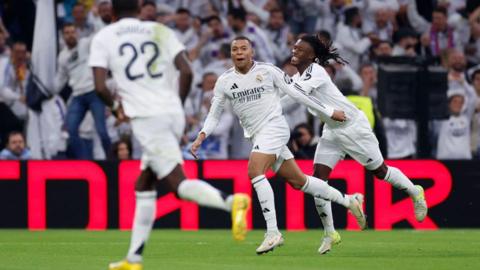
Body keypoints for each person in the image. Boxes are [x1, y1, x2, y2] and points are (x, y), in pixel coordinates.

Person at [88, 1, 250, 269]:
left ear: (112, 13)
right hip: (172, 111)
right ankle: (134, 258)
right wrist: (175, 104)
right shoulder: (158, 30)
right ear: (140, 9)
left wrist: (116, 109)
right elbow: (187, 70)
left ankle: (232, 202)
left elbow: (99, 86)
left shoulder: (104, 37)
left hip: (147, 118)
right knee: (144, 183)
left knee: (178, 184)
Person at [190, 36, 367, 255]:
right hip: (256, 135)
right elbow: (214, 113)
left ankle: (273, 232)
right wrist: (202, 135)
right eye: (235, 49)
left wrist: (329, 111)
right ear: (231, 54)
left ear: (251, 52)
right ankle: (349, 201)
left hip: (274, 127)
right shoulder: (225, 81)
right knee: (299, 181)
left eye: (243, 48)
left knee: (255, 170)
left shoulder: (269, 71)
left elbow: (298, 94)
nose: (239, 52)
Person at [281, 34, 428, 255]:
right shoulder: (299, 77)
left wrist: (269, 105)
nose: (294, 51)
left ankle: (414, 191)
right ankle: (330, 233)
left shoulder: (316, 72)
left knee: (380, 172)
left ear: (311, 55)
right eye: (294, 48)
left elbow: (294, 96)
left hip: (352, 126)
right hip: (332, 129)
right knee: (318, 181)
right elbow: (290, 97)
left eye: (300, 49)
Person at [56, 23, 111, 159]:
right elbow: (60, 79)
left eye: (73, 32)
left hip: (93, 92)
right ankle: (84, 161)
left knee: (102, 131)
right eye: (67, 32)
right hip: (78, 96)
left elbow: (99, 35)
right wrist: (47, 92)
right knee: (71, 131)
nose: (70, 35)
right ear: (63, 36)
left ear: (78, 34)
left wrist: (100, 20)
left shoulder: (85, 44)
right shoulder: (62, 56)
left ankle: (112, 159)